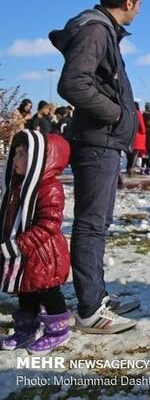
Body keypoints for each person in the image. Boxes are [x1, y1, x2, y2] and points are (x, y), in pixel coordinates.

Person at [50, 0, 142, 333]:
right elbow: (72, 82)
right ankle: (89, 310)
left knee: (98, 224)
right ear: (130, 2)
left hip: (104, 141)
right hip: (97, 142)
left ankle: (97, 295)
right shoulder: (96, 30)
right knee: (90, 225)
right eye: (139, 6)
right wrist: (117, 114)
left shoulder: (103, 30)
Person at [0, 131, 72, 353]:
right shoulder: (16, 187)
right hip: (24, 256)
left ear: (42, 158)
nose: (15, 159)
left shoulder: (48, 187)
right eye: (16, 153)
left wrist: (18, 245)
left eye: (23, 154)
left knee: (48, 291)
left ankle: (59, 331)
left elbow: (48, 224)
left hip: (44, 255)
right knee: (25, 290)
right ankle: (27, 328)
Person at [126, 102, 146, 177]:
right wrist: (144, 132)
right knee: (135, 153)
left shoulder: (128, 113)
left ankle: (128, 168)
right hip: (138, 136)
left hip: (129, 135)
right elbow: (142, 126)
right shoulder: (138, 113)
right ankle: (132, 169)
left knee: (129, 154)